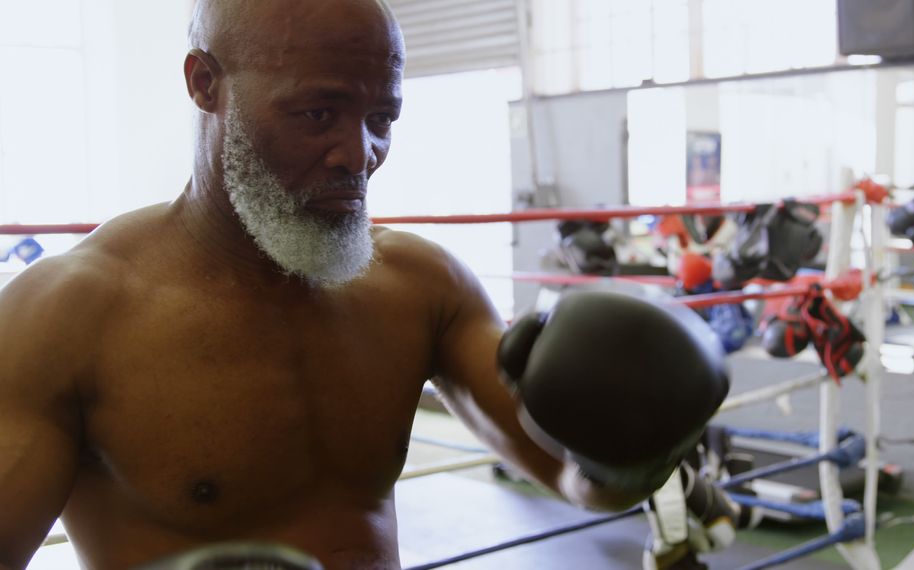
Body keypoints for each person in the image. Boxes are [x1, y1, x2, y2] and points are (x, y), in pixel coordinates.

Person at [0, 1, 728, 569]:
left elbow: (583, 483)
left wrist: (637, 443)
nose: (360, 155)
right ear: (205, 83)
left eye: (382, 117)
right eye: (317, 112)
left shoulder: (420, 287)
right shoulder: (68, 317)